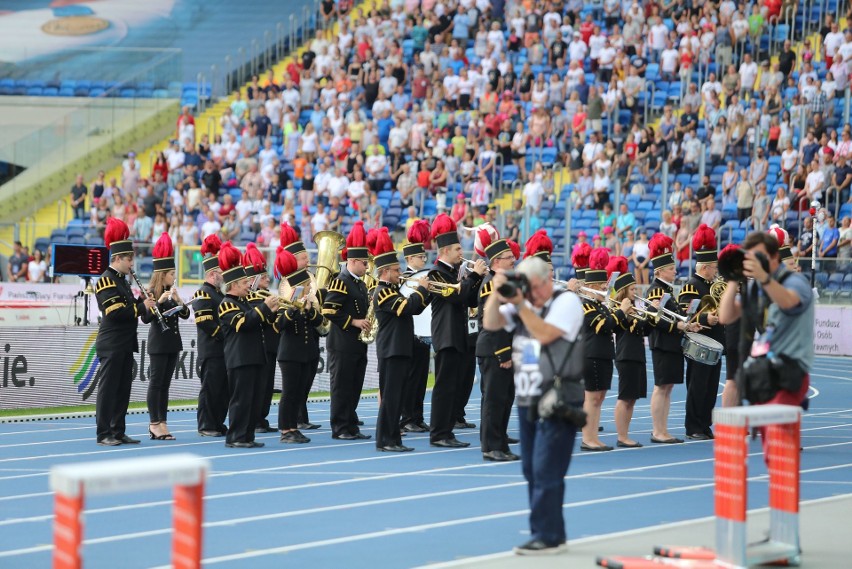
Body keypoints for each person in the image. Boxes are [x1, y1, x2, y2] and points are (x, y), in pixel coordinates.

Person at [482, 256, 584, 555]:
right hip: (528, 395)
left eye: (533, 287)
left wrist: (522, 305)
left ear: (545, 281)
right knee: (531, 468)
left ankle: (546, 535)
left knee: (546, 467)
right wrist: (496, 293)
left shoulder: (565, 302)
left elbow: (546, 334)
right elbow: (491, 323)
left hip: (557, 396)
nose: (530, 293)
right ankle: (553, 532)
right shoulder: (524, 301)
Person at [718, 231, 814, 445]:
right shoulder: (755, 287)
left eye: (758, 257)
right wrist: (734, 278)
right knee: (772, 448)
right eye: (750, 258)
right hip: (765, 372)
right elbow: (726, 315)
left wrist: (763, 277)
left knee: (780, 443)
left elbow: (788, 301)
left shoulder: (795, 281)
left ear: (773, 257)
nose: (754, 263)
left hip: (790, 369)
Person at [93, 218, 156, 446]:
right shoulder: (105, 281)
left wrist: (144, 302)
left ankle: (118, 430)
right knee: (109, 389)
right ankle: (103, 433)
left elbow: (133, 311)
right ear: (117, 258)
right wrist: (140, 307)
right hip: (111, 343)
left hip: (125, 342)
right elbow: (115, 312)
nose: (132, 263)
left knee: (122, 390)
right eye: (129, 259)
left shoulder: (122, 281)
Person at [428, 214, 487, 448]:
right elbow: (456, 296)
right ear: (444, 251)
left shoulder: (453, 273)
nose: (461, 253)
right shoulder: (436, 274)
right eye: (456, 249)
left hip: (458, 336)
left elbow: (469, 300)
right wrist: (473, 276)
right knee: (443, 387)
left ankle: (447, 430)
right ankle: (439, 433)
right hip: (446, 336)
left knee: (452, 387)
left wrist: (478, 280)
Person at [371, 229, 431, 452]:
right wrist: (422, 290)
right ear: (385, 272)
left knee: (395, 398)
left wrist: (429, 292)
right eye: (396, 270)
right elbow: (407, 307)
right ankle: (386, 440)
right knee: (391, 398)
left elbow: (415, 309)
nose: (399, 273)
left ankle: (392, 439)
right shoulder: (384, 292)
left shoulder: (393, 290)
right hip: (392, 350)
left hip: (399, 349)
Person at [217, 242, 279, 448]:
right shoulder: (226, 304)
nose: (248, 285)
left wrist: (268, 310)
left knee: (253, 400)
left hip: (254, 357)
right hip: (240, 359)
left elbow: (257, 320)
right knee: (241, 400)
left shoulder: (244, 302)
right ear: (233, 285)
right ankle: (235, 437)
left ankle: (247, 435)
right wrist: (265, 308)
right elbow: (242, 323)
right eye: (244, 282)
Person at [646, 233, 701, 444]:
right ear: (659, 270)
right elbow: (654, 317)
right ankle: (657, 431)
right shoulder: (655, 290)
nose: (675, 270)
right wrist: (676, 325)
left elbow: (673, 317)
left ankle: (663, 429)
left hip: (672, 343)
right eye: (671, 268)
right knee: (662, 386)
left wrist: (687, 325)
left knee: (667, 387)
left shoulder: (667, 289)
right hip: (662, 344)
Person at [322, 222, 373, 440]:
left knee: (354, 386)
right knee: (342, 387)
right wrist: (354, 321)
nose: (367, 267)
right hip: (342, 344)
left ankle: (351, 424)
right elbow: (328, 309)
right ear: (352, 261)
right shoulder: (340, 281)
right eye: (364, 263)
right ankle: (340, 427)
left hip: (356, 344)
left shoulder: (361, 284)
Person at [475, 230, 521, 462]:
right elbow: (493, 322)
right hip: (494, 349)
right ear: (495, 262)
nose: (514, 259)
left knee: (505, 398)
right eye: (508, 256)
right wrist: (504, 353)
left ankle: (501, 443)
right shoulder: (491, 285)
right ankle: (491, 446)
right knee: (494, 400)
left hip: (505, 349)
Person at [678, 225, 725, 440]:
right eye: (714, 267)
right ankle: (693, 426)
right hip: (699, 342)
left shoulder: (714, 284)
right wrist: (707, 318)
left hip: (715, 340)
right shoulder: (691, 285)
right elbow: (685, 312)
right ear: (705, 267)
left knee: (711, 387)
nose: (716, 270)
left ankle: (705, 424)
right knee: (697, 386)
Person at [274, 247, 324, 444]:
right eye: (306, 285)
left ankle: (294, 426)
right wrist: (295, 307)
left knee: (299, 392)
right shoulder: (285, 302)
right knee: (289, 393)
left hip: (305, 352)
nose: (309, 287)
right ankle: (285, 430)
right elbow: (279, 325)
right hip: (290, 353)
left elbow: (317, 322)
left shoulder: (308, 300)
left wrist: (310, 308)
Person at [146, 232, 190, 441]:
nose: (174, 277)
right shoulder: (151, 293)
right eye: (172, 273)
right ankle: (155, 423)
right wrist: (161, 302)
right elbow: (146, 317)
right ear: (162, 274)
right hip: (158, 344)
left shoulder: (171, 292)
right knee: (156, 383)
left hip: (172, 343)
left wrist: (179, 301)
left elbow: (186, 314)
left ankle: (163, 421)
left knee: (165, 385)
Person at [578, 248, 623, 451]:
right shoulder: (587, 306)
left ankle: (593, 435)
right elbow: (602, 326)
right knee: (592, 398)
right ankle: (588, 438)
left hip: (603, 354)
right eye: (603, 285)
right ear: (593, 286)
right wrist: (621, 312)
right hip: (592, 355)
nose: (606, 288)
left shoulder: (601, 305)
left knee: (599, 397)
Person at [608, 256, 649, 447]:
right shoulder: (619, 308)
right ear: (624, 290)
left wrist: (652, 312)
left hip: (637, 354)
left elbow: (645, 330)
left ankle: (625, 434)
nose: (635, 292)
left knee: (632, 398)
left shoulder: (634, 308)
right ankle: (621, 436)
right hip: (626, 355)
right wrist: (629, 312)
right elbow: (628, 326)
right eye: (632, 289)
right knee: (624, 397)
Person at [193, 235, 229, 437]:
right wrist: (225, 335)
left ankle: (217, 422)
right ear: (213, 274)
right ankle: (206, 424)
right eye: (221, 272)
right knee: (210, 389)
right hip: (212, 349)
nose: (223, 276)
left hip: (223, 350)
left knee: (223, 390)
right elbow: (205, 322)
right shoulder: (203, 293)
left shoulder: (219, 294)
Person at [243, 243, 280, 434]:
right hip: (260, 346)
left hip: (272, 346)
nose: (267, 280)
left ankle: (262, 418)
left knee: (268, 387)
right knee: (258, 386)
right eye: (263, 277)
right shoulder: (249, 298)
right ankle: (255, 419)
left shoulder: (267, 295)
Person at [400, 220, 433, 433]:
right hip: (410, 333)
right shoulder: (403, 279)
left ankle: (418, 416)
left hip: (424, 334)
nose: (424, 259)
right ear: (410, 258)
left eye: (424, 256)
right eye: (420, 256)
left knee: (421, 379)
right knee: (411, 379)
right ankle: (408, 417)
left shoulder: (427, 276)